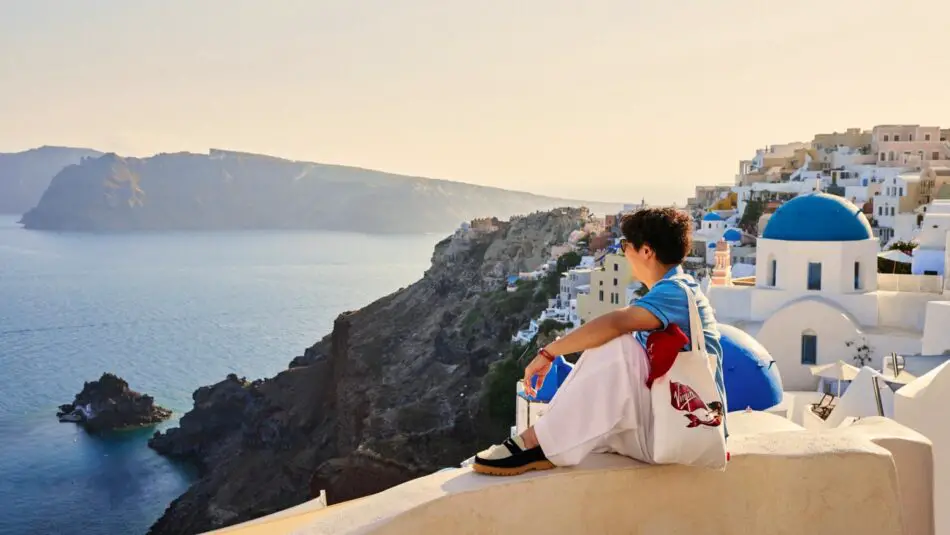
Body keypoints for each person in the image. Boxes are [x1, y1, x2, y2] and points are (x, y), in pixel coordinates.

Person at [473, 207, 726, 476]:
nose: (624, 252)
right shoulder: (678, 289)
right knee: (621, 346)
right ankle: (546, 437)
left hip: (681, 431)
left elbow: (616, 324)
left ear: (647, 251)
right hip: (671, 427)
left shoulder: (676, 292)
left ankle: (538, 443)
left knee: (620, 345)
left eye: (626, 245)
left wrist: (549, 353)